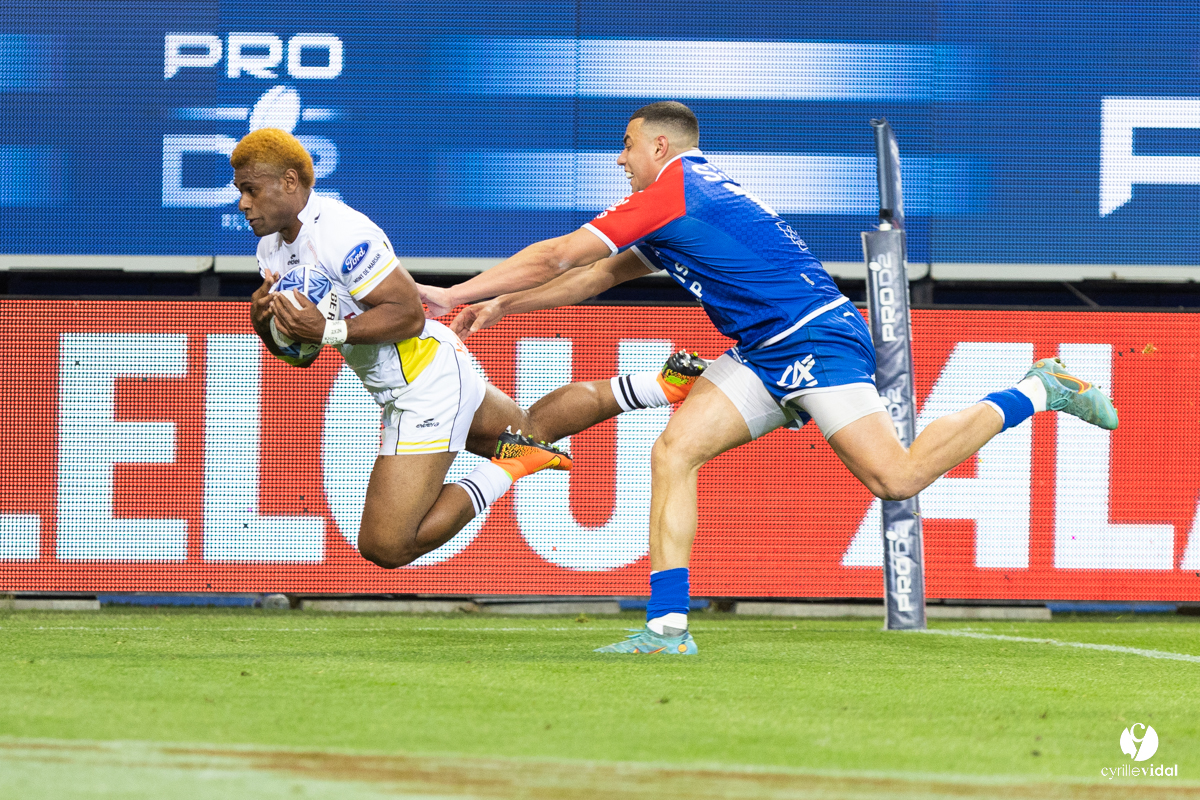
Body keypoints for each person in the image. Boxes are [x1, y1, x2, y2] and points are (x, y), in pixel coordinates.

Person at [418, 101, 1118, 655]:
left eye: (627, 146)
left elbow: (560, 255)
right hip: (761, 348)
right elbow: (597, 275)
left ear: (660, 146)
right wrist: (500, 304)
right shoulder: (686, 197)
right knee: (674, 452)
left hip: (816, 338)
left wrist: (456, 293)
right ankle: (668, 628)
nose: (619, 158)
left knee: (896, 478)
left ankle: (1040, 387)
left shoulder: (674, 189)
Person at [233, 127, 708, 570]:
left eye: (251, 189)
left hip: (425, 384)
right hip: (428, 370)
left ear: (289, 182)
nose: (243, 203)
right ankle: (662, 385)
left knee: (385, 544)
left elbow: (406, 314)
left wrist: (330, 331)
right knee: (531, 429)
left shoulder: (340, 234)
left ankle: (509, 467)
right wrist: (267, 326)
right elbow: (303, 354)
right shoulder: (271, 250)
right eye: (240, 191)